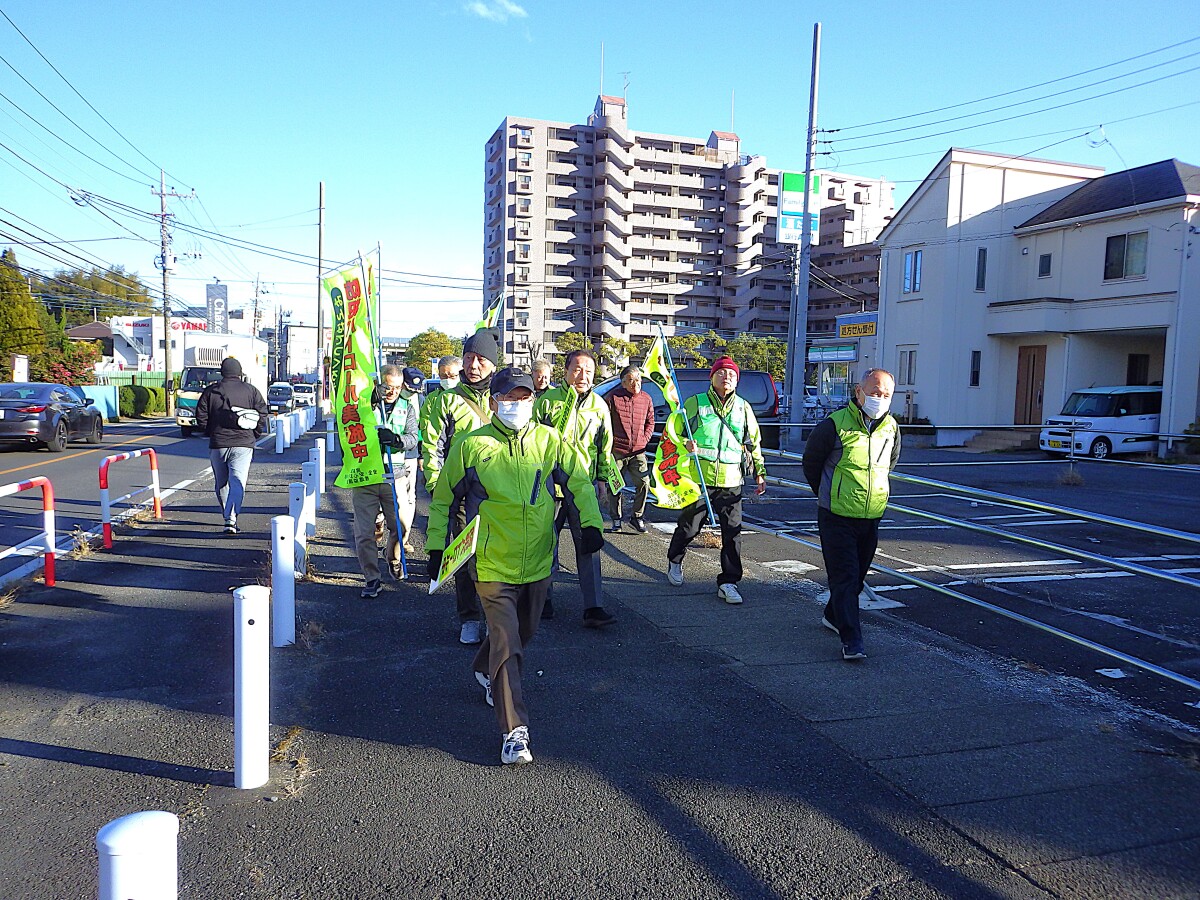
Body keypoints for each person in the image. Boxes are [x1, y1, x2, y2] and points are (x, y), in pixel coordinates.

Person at [427, 368, 604, 765]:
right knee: (507, 643)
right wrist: (437, 547)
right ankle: (514, 732)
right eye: (509, 398)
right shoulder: (471, 446)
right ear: (493, 402)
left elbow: (578, 484)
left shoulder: (550, 440)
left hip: (538, 559)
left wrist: (589, 525)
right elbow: (443, 501)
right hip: (489, 563)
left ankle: (481, 667)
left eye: (524, 398)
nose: (517, 406)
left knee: (524, 632)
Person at [802, 368, 900, 661]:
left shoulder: (892, 428)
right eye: (873, 392)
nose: (878, 399)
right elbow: (812, 463)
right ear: (858, 392)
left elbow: (890, 463)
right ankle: (852, 639)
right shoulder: (834, 425)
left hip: (871, 514)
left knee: (856, 577)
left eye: (885, 395)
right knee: (844, 576)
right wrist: (829, 494)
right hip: (836, 515)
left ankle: (833, 615)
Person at [665, 357, 767, 605]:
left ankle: (729, 581)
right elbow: (673, 433)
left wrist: (759, 473)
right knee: (689, 526)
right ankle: (675, 559)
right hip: (699, 478)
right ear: (712, 377)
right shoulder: (695, 403)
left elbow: (753, 442)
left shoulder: (744, 408)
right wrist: (684, 444)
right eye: (721, 373)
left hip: (732, 480)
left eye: (731, 374)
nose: (727, 377)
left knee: (732, 533)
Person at [420, 330, 499, 644]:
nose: (474, 365)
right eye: (468, 358)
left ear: (493, 363)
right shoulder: (447, 400)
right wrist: (438, 487)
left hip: (502, 490)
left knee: (498, 556)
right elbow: (431, 447)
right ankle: (469, 617)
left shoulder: (505, 396)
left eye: (481, 359)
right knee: (464, 555)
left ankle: (496, 614)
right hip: (462, 493)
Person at [533, 348, 616, 627]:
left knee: (589, 541)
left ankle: (593, 606)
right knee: (545, 541)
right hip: (548, 481)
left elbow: (605, 447)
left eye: (589, 371)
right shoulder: (547, 402)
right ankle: (543, 598)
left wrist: (602, 479)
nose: (583, 375)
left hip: (584, 483)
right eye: (577, 369)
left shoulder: (599, 406)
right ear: (565, 371)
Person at [348, 366, 419, 598]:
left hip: (395, 475)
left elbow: (412, 437)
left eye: (398, 388)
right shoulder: (364, 405)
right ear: (379, 384)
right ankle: (372, 578)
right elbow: (348, 425)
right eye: (388, 387)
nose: (393, 392)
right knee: (364, 532)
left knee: (400, 525)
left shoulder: (406, 407)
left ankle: (394, 558)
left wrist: (397, 440)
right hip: (366, 475)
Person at [195, 357, 268, 535]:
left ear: (222, 372)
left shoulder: (211, 391)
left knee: (221, 483)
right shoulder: (251, 391)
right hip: (243, 443)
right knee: (237, 481)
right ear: (240, 373)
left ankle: (228, 518)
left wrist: (211, 432)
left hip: (218, 443)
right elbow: (262, 415)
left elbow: (201, 416)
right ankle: (232, 519)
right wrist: (255, 434)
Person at [605, 364, 654, 533]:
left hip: (638, 451)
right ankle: (616, 519)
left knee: (644, 482)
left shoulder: (646, 398)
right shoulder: (613, 397)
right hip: (617, 450)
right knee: (615, 485)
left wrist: (644, 439)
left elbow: (650, 422)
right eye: (631, 380)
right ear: (623, 383)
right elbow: (604, 423)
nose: (636, 384)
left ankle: (637, 517)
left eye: (638, 379)